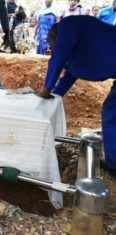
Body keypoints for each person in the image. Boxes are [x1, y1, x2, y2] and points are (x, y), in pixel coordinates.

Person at [35, 16, 116, 176]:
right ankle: (113, 163)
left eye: (53, 47)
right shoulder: (77, 47)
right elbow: (68, 77)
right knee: (111, 112)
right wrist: (53, 97)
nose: (53, 50)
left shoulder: (67, 25)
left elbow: (57, 58)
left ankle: (114, 166)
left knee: (111, 114)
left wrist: (46, 89)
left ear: (56, 39)